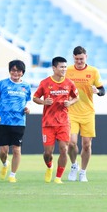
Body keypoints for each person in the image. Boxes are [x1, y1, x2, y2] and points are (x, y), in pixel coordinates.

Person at [33, 56, 79, 184]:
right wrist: (43, 101)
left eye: (65, 66)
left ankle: (58, 177)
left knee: (64, 149)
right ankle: (49, 166)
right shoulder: (45, 83)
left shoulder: (69, 83)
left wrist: (70, 102)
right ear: (54, 68)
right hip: (48, 123)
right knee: (48, 153)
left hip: (63, 122)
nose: (64, 69)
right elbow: (35, 98)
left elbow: (76, 97)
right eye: (61, 67)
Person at [66, 46, 105, 182]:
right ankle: (73, 166)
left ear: (86, 57)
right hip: (71, 111)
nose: (79, 61)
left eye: (81, 59)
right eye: (76, 59)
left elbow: (102, 90)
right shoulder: (68, 70)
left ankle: (83, 171)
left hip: (88, 112)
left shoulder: (93, 71)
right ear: (73, 58)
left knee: (87, 144)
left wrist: (97, 91)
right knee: (71, 143)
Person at [0, 60, 31, 183]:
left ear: (22, 72)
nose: (15, 73)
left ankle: (13, 175)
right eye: (13, 70)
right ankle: (4, 163)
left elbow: (28, 101)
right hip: (4, 121)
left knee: (16, 149)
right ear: (10, 71)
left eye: (18, 70)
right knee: (3, 151)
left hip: (19, 122)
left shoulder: (26, 86)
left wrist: (28, 109)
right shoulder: (2, 84)